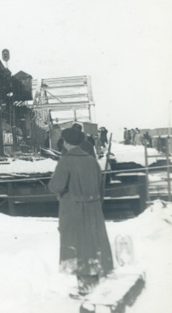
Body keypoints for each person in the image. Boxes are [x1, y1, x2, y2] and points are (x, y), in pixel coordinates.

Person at [48, 125, 114, 296]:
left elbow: (55, 186)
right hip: (93, 210)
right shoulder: (92, 160)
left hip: (74, 210)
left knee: (78, 248)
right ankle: (93, 287)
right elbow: (101, 188)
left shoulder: (66, 161)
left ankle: (85, 290)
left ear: (66, 143)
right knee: (93, 247)